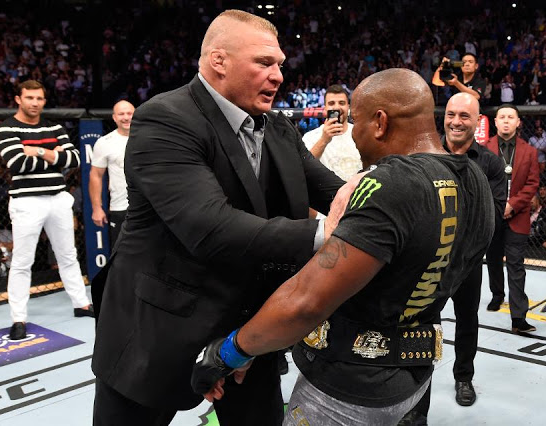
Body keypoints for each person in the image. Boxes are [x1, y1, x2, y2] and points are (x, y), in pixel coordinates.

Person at [191, 68, 494, 426]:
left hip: (347, 389)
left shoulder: (391, 184)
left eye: (357, 122)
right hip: (414, 375)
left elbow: (306, 301)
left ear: (380, 122)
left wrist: (231, 351)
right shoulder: (474, 179)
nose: (353, 134)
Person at [91, 10, 344, 426]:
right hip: (160, 327)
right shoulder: (165, 118)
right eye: (264, 63)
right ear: (218, 61)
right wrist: (324, 232)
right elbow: (209, 227)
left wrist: (392, 197)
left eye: (280, 64)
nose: (278, 76)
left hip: (247, 331)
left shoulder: (277, 128)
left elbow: (334, 191)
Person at [399, 93, 505, 425]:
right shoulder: (424, 154)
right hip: (428, 260)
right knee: (421, 325)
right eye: (451, 114)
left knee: (467, 319)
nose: (456, 122)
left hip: (468, 261)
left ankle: (464, 377)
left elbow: (494, 213)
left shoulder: (490, 163)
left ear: (477, 122)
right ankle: (416, 396)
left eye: (464, 116)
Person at [0, 80, 93, 342]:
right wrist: (53, 155)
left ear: (44, 101)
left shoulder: (54, 127)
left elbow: (73, 159)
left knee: (68, 254)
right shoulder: (6, 129)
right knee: (22, 261)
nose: (35, 103)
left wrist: (37, 150)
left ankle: (81, 303)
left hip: (58, 198)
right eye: (30, 98)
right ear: (18, 99)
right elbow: (18, 163)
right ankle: (18, 318)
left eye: (39, 98)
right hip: (26, 201)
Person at [484, 104, 539, 334]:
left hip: (518, 215)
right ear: (495, 122)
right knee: (493, 258)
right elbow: (480, 181)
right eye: (502, 117)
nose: (506, 121)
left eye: (510, 117)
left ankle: (518, 318)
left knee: (516, 264)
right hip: (492, 214)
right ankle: (497, 295)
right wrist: (498, 206)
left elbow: (532, 184)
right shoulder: (483, 149)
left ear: (518, 122)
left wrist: (512, 205)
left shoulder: (530, 151)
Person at [89, 100, 135, 247]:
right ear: (114, 117)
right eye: (121, 114)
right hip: (120, 206)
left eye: (129, 113)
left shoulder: (150, 138)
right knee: (121, 252)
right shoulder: (105, 143)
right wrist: (97, 208)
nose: (126, 117)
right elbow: (96, 175)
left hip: (151, 206)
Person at [302, 84, 362, 181]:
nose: (337, 107)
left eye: (342, 103)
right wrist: (324, 140)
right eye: (331, 103)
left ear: (348, 107)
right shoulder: (311, 137)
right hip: (327, 190)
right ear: (325, 108)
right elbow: (303, 168)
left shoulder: (360, 133)